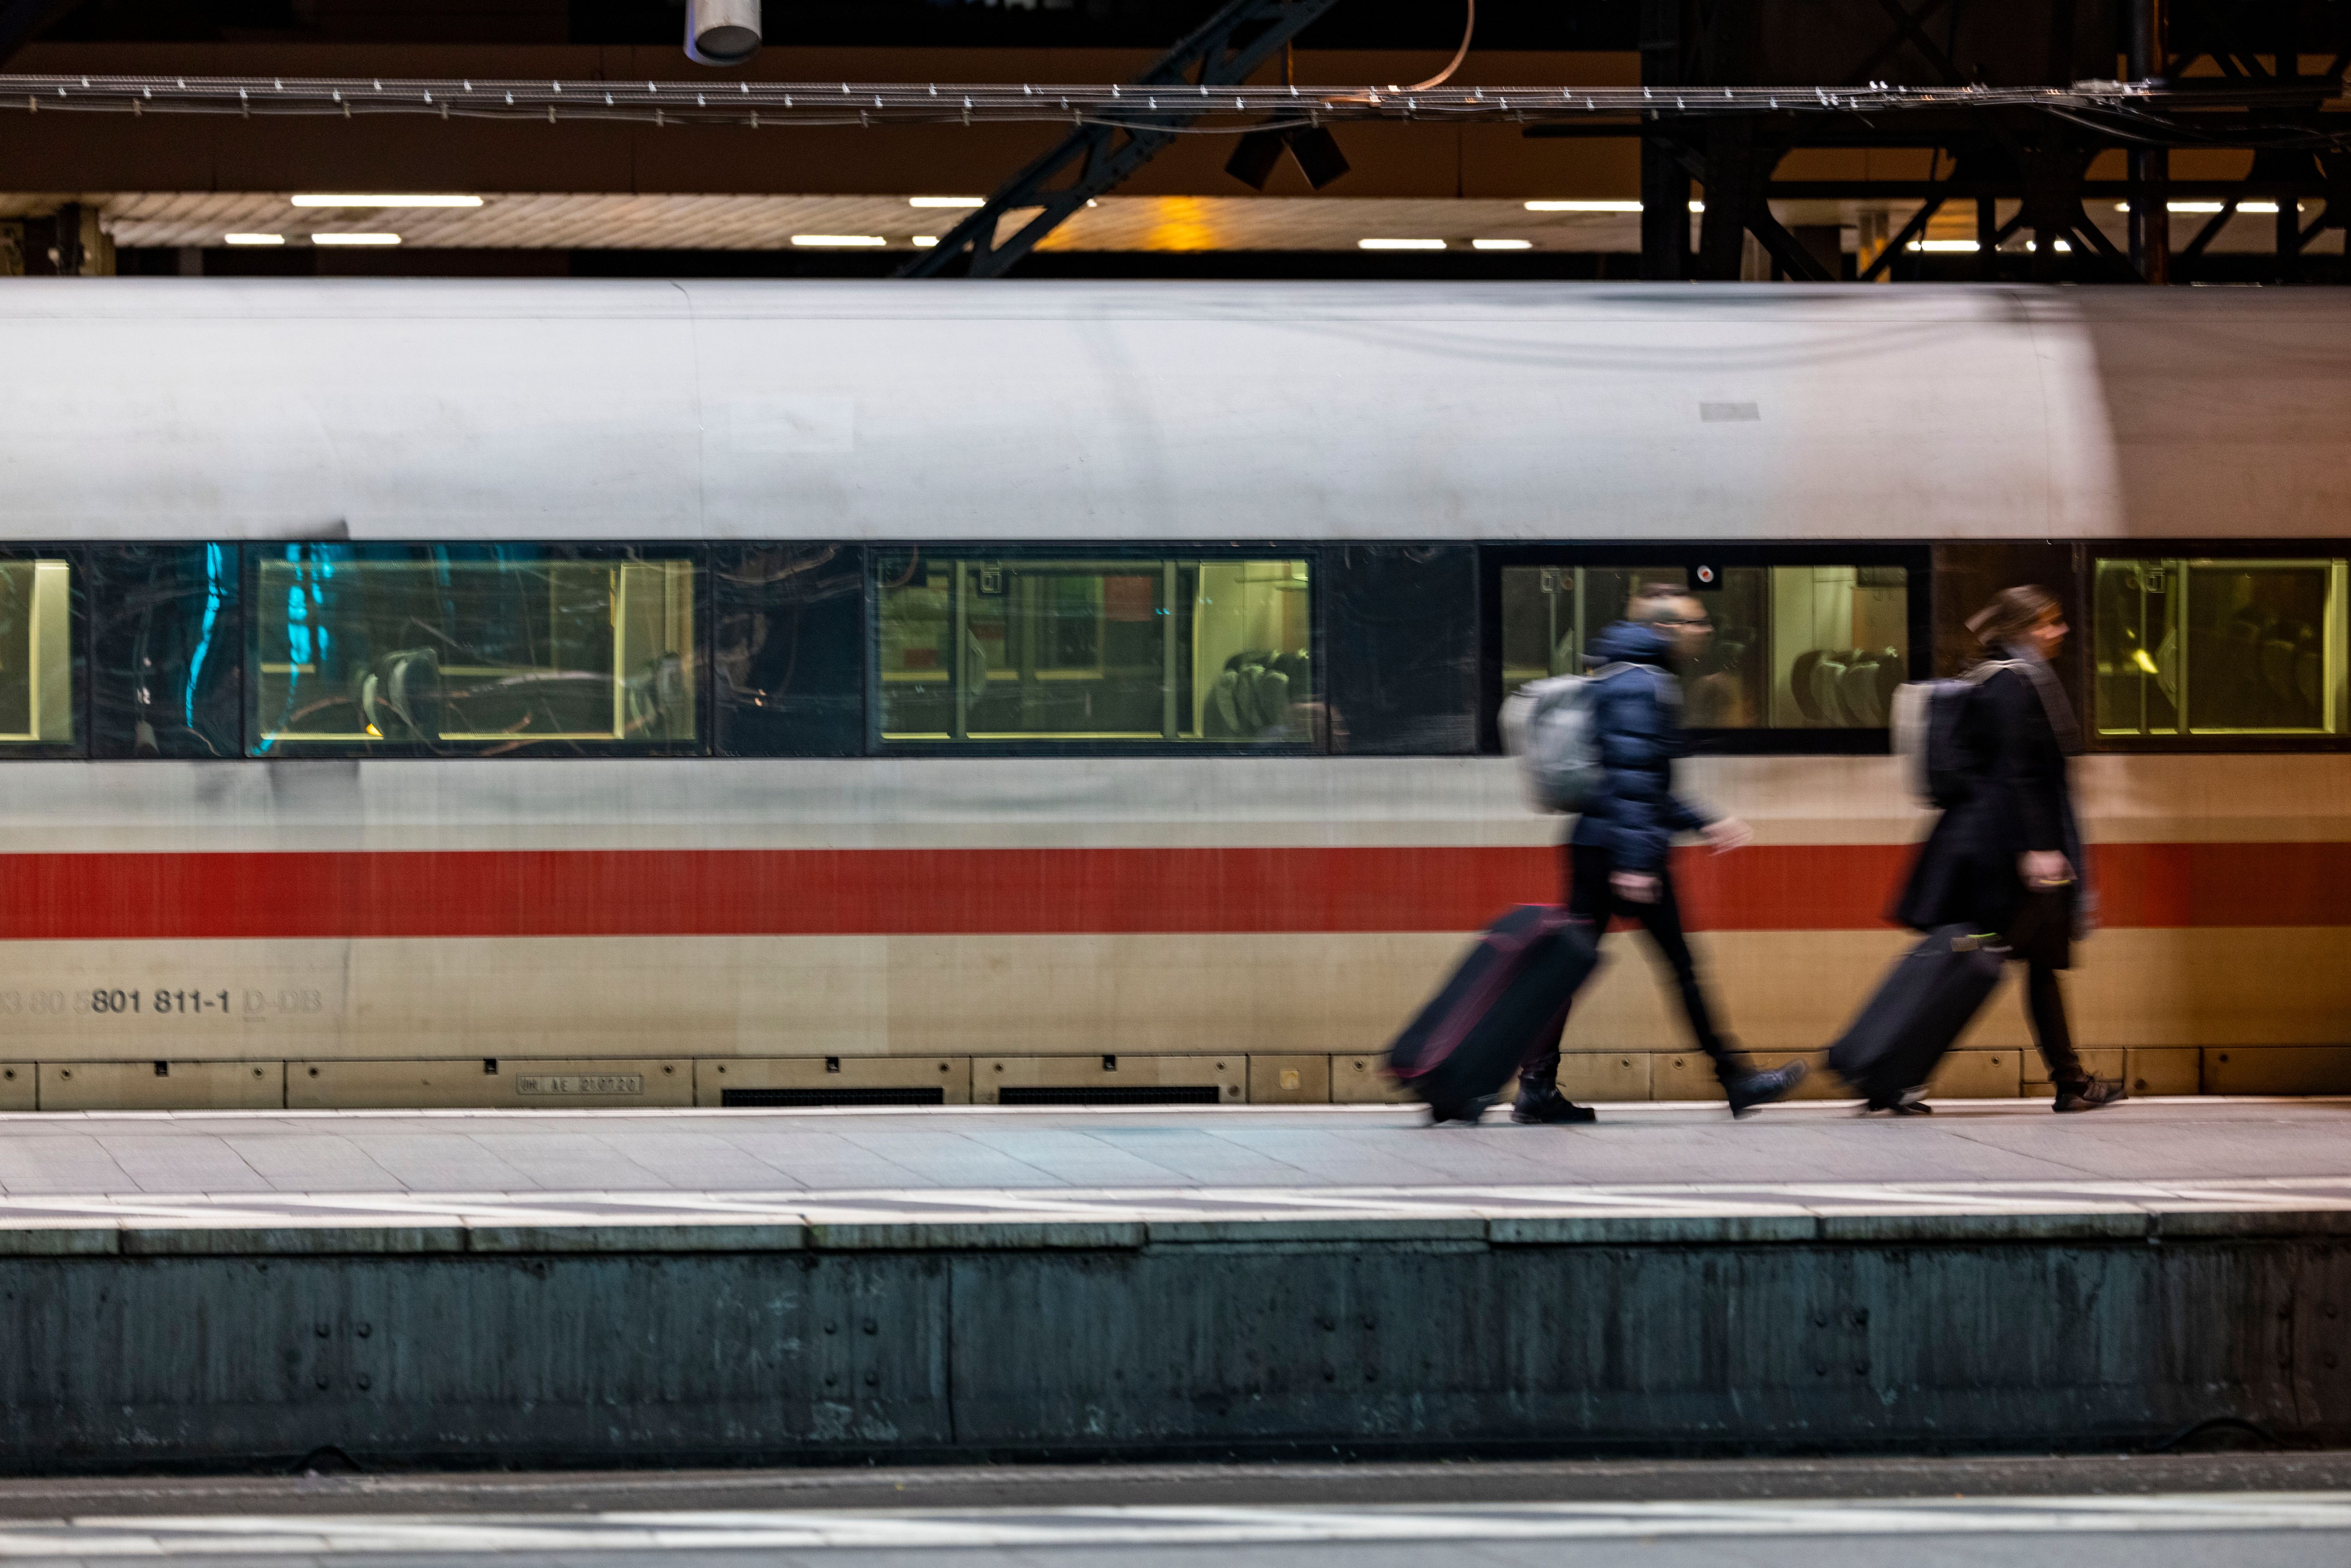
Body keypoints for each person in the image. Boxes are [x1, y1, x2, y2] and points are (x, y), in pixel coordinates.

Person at [1513, 584, 1809, 1124]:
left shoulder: (1620, 676)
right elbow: (1630, 780)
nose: (1707, 631)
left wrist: (1704, 819)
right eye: (1697, 623)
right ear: (1665, 630)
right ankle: (1737, 1078)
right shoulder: (1643, 685)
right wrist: (1634, 862)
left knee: (1570, 969)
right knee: (1681, 968)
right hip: (1621, 850)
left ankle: (1536, 1086)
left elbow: (1640, 781)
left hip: (1597, 844)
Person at [1892, 585, 2125, 1114]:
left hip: (2015, 852)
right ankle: (1903, 1074)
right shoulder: (2011, 684)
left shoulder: (2002, 676)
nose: (2060, 631)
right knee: (1980, 965)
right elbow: (2016, 773)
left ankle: (2070, 1080)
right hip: (2014, 858)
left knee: (2037, 963)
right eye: (2049, 622)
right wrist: (2037, 848)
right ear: (2023, 629)